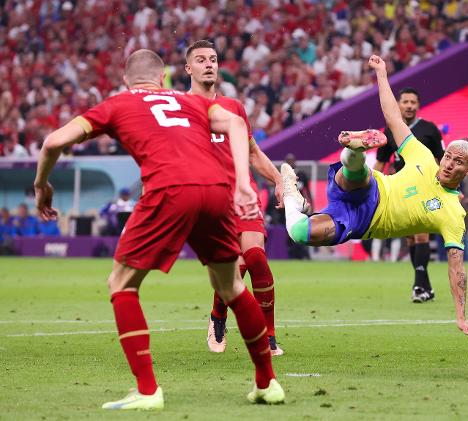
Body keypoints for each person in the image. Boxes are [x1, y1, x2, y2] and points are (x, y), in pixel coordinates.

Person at [33, 49, 284, 409]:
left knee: (121, 283)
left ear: (125, 80)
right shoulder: (189, 101)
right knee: (231, 285)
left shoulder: (117, 104)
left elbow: (53, 141)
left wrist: (42, 185)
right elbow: (236, 124)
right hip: (217, 191)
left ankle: (148, 391)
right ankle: (267, 382)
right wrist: (244, 183)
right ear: (164, 76)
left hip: (169, 190)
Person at [282, 54, 468, 338]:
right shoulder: (422, 155)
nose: (449, 164)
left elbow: (456, 267)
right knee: (357, 174)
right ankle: (355, 148)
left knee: (299, 232)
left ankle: (291, 195)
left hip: (359, 222)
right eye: (448, 157)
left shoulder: (453, 213)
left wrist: (461, 316)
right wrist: (382, 74)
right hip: (374, 189)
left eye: (458, 162)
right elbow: (393, 117)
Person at [184, 39, 286, 357]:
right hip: (210, 201)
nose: (209, 64)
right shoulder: (179, 108)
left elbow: (253, 153)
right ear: (188, 68)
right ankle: (218, 315)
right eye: (200, 60)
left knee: (255, 257)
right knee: (230, 270)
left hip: (244, 195)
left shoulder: (233, 108)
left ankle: (268, 337)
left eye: (213, 58)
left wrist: (280, 180)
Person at [373, 86, 445, 303]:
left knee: (421, 234)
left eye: (413, 102)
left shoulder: (430, 129)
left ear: (418, 105)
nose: (409, 106)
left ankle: (418, 286)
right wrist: (371, 187)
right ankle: (426, 286)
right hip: (401, 189)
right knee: (412, 238)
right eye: (405, 102)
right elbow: (380, 163)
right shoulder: (390, 131)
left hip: (424, 188)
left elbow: (441, 161)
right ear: (398, 104)